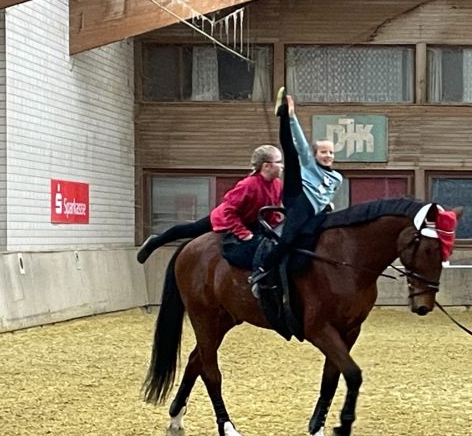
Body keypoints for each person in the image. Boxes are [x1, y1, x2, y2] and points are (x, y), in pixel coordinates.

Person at [248, 87, 343, 291]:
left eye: (331, 152)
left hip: (311, 210)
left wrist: (327, 206)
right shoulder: (310, 165)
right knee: (291, 153)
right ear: (316, 154)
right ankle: (262, 270)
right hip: (297, 196)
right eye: (323, 152)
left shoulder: (337, 178)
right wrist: (292, 117)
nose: (328, 155)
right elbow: (300, 143)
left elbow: (326, 196)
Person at [135, 145, 284, 265]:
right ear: (266, 166)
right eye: (278, 162)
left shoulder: (277, 184)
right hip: (225, 219)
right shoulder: (248, 185)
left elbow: (272, 211)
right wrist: (242, 233)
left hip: (252, 222)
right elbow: (229, 211)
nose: (282, 166)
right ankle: (154, 242)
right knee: (189, 230)